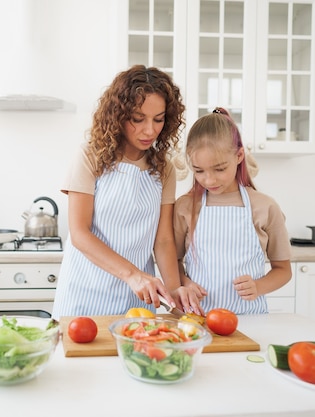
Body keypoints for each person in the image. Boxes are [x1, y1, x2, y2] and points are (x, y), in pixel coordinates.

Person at [52, 65, 194, 319]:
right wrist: (133, 275)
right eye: (138, 119)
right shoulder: (90, 156)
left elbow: (162, 240)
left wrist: (174, 291)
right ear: (118, 115)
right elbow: (79, 233)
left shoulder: (164, 169)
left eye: (158, 119)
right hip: (84, 295)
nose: (150, 130)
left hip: (138, 300)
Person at [173, 107, 292, 315]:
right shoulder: (184, 207)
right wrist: (185, 283)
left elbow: (283, 270)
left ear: (239, 156)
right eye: (199, 171)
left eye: (219, 169)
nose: (209, 180)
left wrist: (259, 287)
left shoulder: (265, 207)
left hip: (251, 321)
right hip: (196, 320)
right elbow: (173, 261)